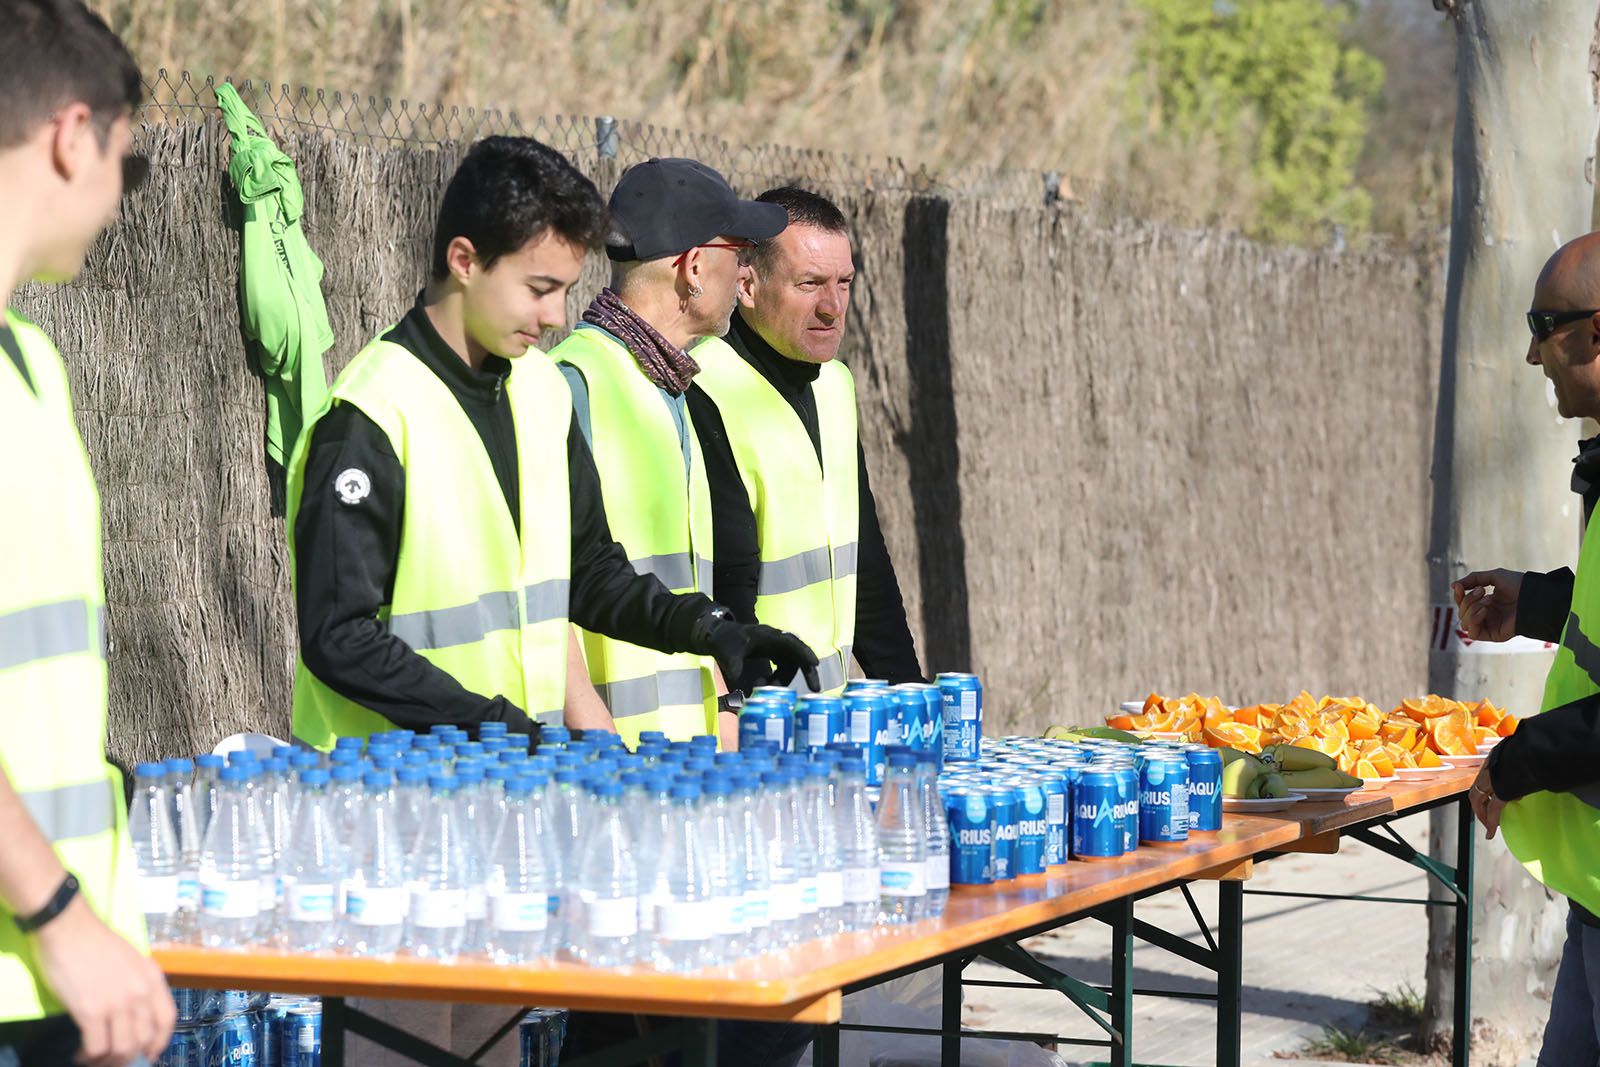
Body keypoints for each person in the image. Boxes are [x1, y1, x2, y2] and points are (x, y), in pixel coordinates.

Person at [288, 138, 817, 751]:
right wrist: (498, 730)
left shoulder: (539, 390)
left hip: (504, 788)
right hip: (385, 804)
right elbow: (340, 639)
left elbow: (588, 571)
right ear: (464, 261)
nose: (559, 316)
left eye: (566, 289)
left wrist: (706, 625)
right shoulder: (368, 416)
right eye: (539, 288)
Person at [0, 2, 175, 1065]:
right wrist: (60, 915)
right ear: (74, 134)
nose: (120, 203)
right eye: (128, 160)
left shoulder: (32, 363)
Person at [550, 158, 789, 747]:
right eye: (739, 252)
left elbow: (681, 581)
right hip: (608, 767)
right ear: (694, 268)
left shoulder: (669, 386)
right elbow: (544, 591)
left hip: (683, 758)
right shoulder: (569, 385)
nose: (746, 274)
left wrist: (725, 710)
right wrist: (595, 737)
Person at [1452, 229, 1600, 1065]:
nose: (1534, 351)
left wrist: (1517, 759)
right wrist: (1539, 602)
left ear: (1597, 330)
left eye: (1546, 324)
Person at [686, 186, 923, 696]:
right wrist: (758, 717)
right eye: (810, 283)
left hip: (827, 716)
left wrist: (909, 694)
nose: (833, 307)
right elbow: (727, 589)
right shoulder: (705, 388)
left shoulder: (836, 384)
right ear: (746, 286)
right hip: (760, 721)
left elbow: (866, 567)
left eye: (844, 282)